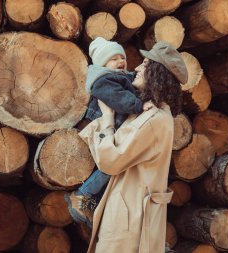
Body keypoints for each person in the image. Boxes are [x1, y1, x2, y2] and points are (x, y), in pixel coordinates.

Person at [79, 41, 188, 253]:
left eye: (145, 64)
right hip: (131, 213)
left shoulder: (153, 119)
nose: (136, 67)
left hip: (130, 220)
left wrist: (108, 119)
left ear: (157, 73)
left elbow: (110, 161)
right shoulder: (153, 114)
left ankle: (82, 198)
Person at [65, 37, 152, 226]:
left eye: (123, 57)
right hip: (101, 126)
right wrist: (138, 105)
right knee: (109, 168)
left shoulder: (121, 76)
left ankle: (90, 205)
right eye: (114, 58)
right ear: (103, 63)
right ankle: (81, 196)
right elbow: (117, 98)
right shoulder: (103, 80)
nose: (121, 61)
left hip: (115, 128)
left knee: (112, 172)